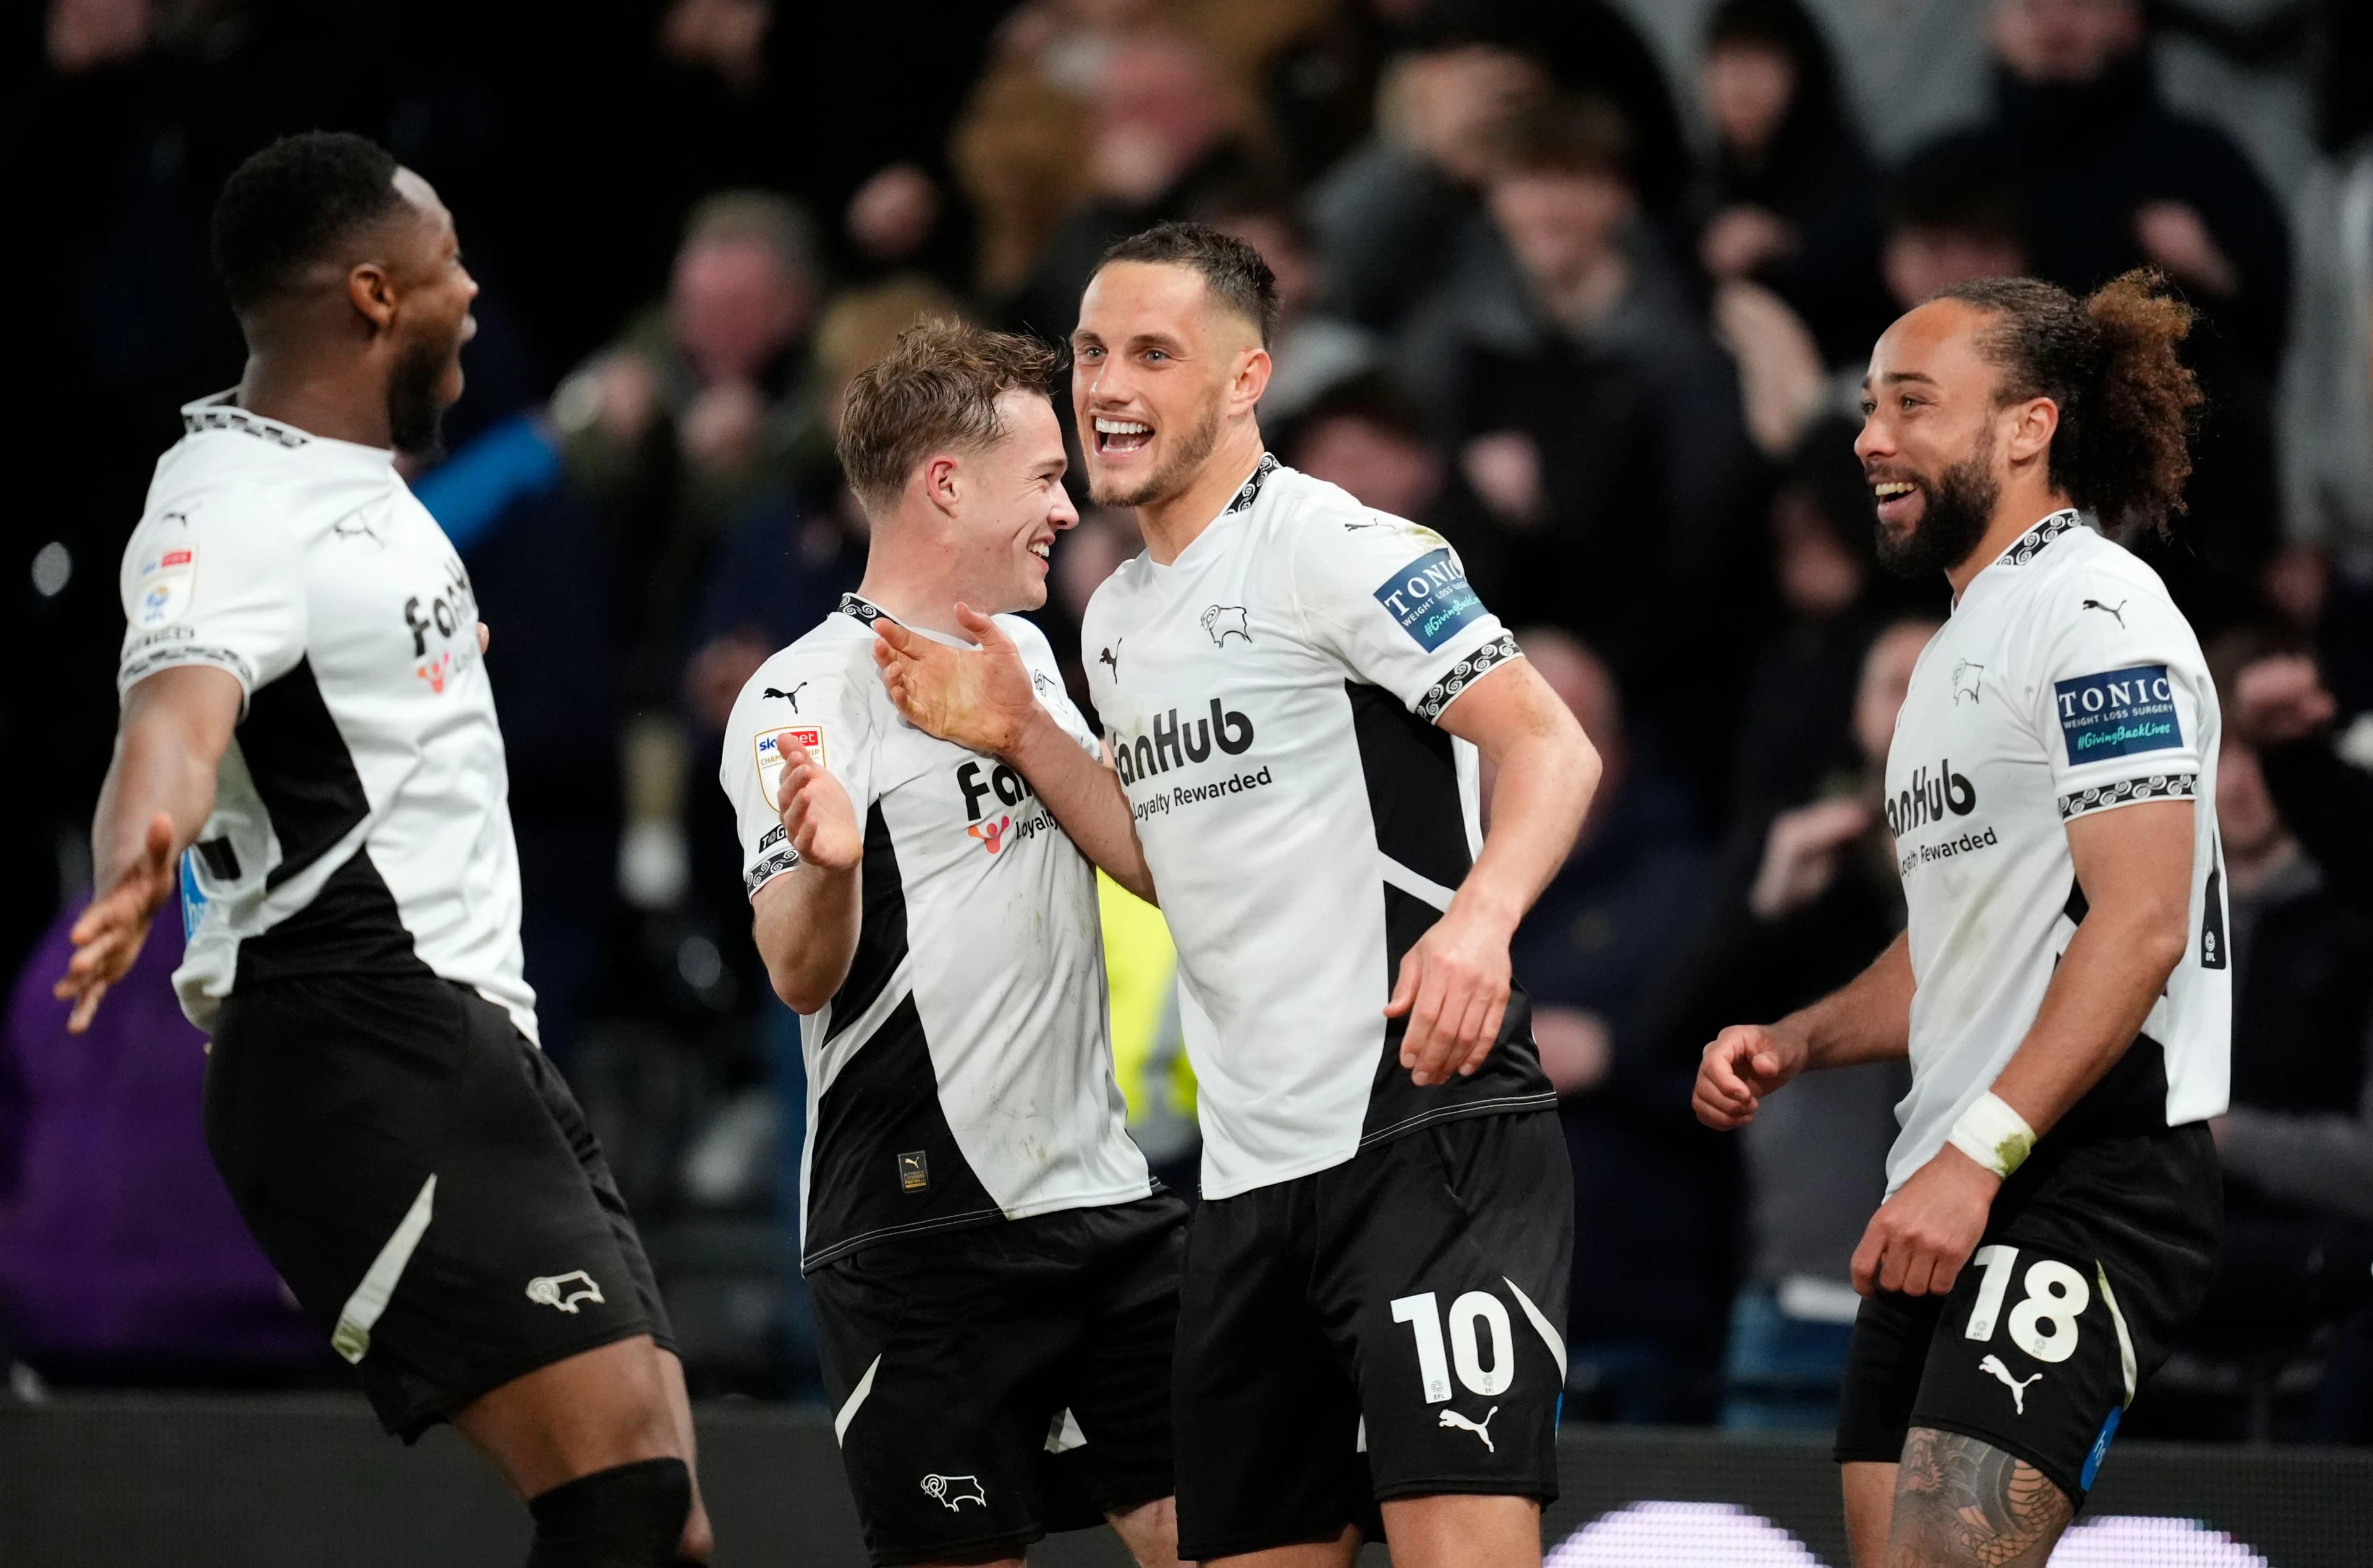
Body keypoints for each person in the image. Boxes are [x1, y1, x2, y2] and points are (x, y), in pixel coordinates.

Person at [873, 222, 1599, 1568]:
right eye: (1091, 352)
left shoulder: (1340, 544)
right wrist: (1031, 733)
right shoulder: (1115, 616)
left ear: (1245, 378)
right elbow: (1169, 867)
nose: (1107, 386)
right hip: (1252, 1180)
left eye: (1155, 353)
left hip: (1423, 1134)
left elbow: (1550, 743)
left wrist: (1479, 924)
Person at [52, 132, 711, 1567]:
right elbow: (169, 718)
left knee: (667, 1520)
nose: (471, 292)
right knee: (622, 1501)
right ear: (371, 295)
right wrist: (134, 861)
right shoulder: (227, 506)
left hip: (473, 1039)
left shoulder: (359, 486)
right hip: (355, 1038)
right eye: (446, 264)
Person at [1693, 268, 2227, 1567]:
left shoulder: (2096, 613)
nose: (1870, 437)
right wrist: (1804, 1039)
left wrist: (1975, 1156)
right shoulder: (1951, 648)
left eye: (1913, 405)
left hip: (2079, 1166)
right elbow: (1962, 947)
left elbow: (2142, 922)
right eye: (1870, 407)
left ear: (2028, 427)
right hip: (1955, 1171)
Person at [716, 318, 1186, 1568]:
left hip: (1101, 1197)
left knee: (1232, 1537)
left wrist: (1032, 732)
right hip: (923, 1230)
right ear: (945, 484)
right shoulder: (802, 695)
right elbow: (797, 969)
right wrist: (826, 869)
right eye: (1042, 477)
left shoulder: (1024, 654)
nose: (1066, 506)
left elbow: (1146, 866)